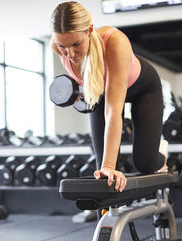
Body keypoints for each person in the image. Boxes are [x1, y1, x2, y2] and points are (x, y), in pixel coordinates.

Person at [50, 1, 168, 193]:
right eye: (63, 46)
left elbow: (113, 112)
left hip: (143, 89)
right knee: (101, 174)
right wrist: (106, 168)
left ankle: (161, 152)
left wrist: (110, 166)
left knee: (145, 163)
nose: (69, 53)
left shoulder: (115, 43)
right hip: (102, 93)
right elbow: (86, 85)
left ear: (89, 30)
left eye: (76, 44)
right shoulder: (56, 46)